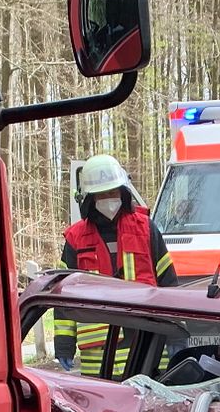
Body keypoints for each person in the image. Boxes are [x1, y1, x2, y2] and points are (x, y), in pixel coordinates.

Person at [54, 154, 175, 375]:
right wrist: (64, 343)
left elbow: (169, 284)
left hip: (146, 348)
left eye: (113, 192)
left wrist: (176, 336)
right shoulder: (75, 239)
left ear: (123, 192)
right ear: (89, 198)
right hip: (99, 360)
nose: (109, 199)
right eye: (102, 194)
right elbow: (63, 296)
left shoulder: (146, 229)